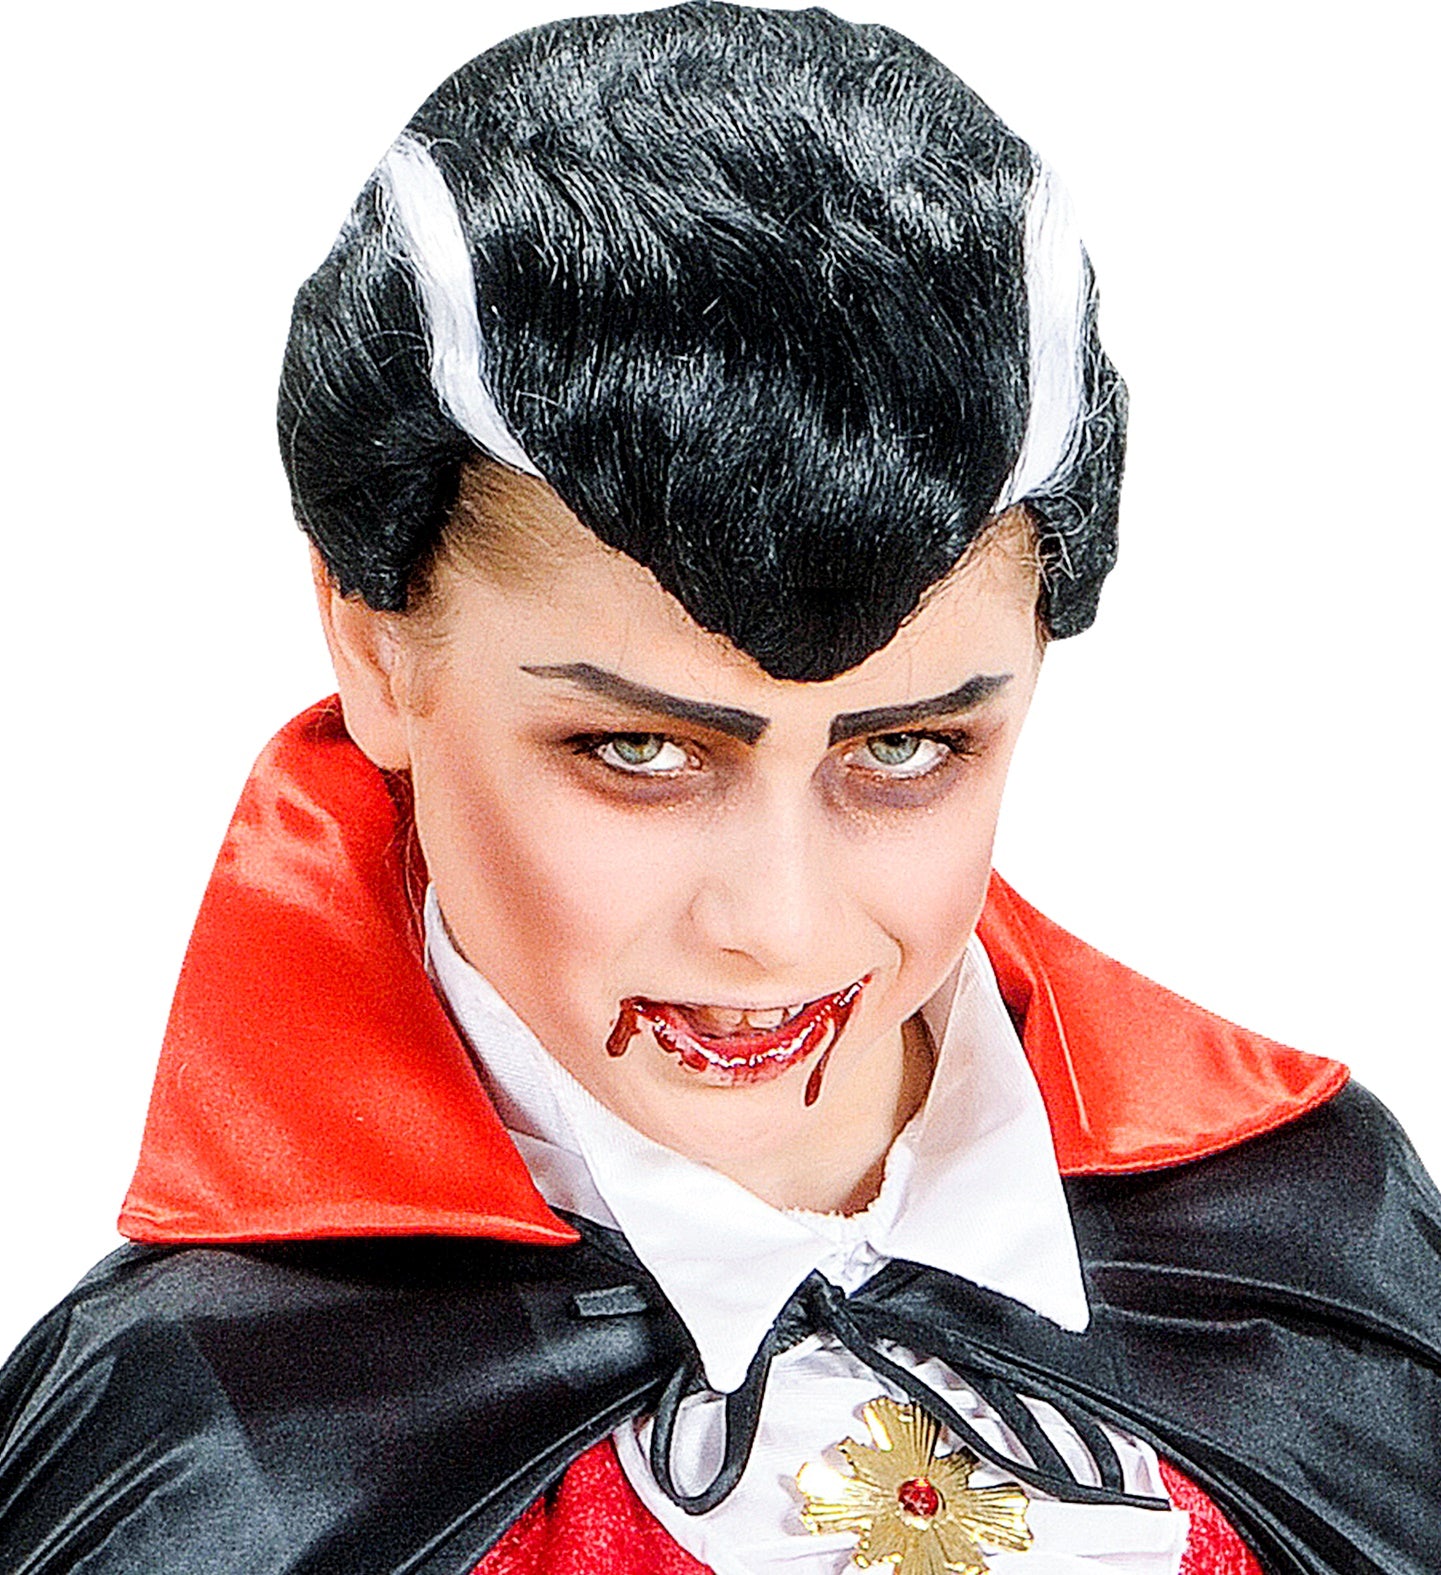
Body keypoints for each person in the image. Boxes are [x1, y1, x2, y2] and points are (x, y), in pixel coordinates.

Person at [1, 5, 1436, 1573]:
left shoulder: (1306, 1253)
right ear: (374, 643)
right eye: (639, 752)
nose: (776, 926)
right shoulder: (213, 1443)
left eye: (904, 749)